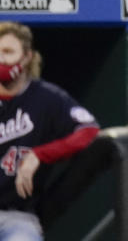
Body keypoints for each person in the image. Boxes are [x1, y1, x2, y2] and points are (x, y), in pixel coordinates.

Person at [0, 22, 100, 240]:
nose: (1, 59)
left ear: (26, 57)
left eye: (8, 52)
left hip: (16, 216)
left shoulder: (46, 97)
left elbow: (90, 131)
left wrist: (40, 154)